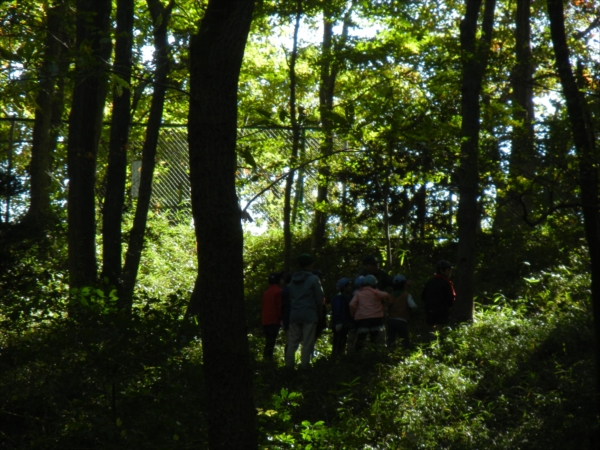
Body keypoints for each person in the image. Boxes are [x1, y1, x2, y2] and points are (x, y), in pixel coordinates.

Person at [285, 254, 325, 369]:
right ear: (310, 264)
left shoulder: (292, 280)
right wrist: (319, 313)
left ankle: (288, 367)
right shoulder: (314, 279)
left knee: (292, 342)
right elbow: (319, 297)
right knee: (307, 342)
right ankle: (304, 367)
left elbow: (290, 296)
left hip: (294, 314)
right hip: (309, 314)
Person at [349, 274, 391, 351]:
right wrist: (385, 306)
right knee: (375, 338)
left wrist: (353, 314)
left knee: (361, 339)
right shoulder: (376, 292)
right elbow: (386, 295)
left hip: (362, 319)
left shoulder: (358, 293)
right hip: (376, 318)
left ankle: (356, 356)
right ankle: (375, 354)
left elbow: (352, 304)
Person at [421, 260, 456, 337]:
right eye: (448, 269)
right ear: (441, 271)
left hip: (430, 312)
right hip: (442, 314)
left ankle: (431, 348)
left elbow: (423, 297)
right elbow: (451, 299)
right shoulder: (446, 283)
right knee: (440, 334)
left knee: (432, 334)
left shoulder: (430, 282)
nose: (450, 271)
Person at [387, 274, 417, 349]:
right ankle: (405, 354)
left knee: (391, 340)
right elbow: (413, 306)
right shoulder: (406, 295)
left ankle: (390, 354)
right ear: (404, 284)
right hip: (402, 320)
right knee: (404, 340)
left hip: (391, 320)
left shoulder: (390, 295)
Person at [262, 271, 285, 361]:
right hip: (274, 320)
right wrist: (281, 319)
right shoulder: (279, 291)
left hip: (265, 321)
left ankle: (266, 361)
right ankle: (268, 362)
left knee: (268, 342)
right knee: (271, 342)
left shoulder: (266, 292)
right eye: (281, 279)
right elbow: (280, 307)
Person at [330, 278, 354, 356]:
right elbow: (337, 310)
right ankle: (335, 360)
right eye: (349, 286)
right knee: (338, 343)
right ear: (344, 287)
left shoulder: (348, 297)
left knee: (342, 342)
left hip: (345, 324)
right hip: (339, 325)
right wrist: (338, 322)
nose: (350, 287)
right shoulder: (338, 297)